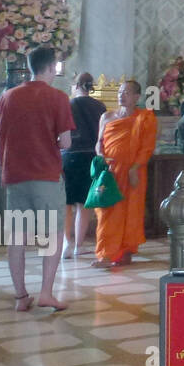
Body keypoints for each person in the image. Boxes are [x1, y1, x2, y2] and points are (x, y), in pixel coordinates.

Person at [0, 45, 73, 312]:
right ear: (51, 67)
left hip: (14, 175)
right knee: (53, 235)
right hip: (45, 174)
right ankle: (46, 293)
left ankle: (20, 297)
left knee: (17, 237)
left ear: (29, 66)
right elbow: (66, 141)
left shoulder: (7, 97)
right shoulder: (57, 97)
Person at [92, 79, 158, 269]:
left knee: (132, 211)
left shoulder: (145, 118)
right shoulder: (107, 116)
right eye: (120, 92)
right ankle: (105, 254)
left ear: (137, 97)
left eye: (127, 92)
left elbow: (147, 148)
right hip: (110, 173)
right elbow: (99, 142)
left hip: (133, 172)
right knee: (107, 211)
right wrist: (101, 156)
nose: (122, 95)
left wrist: (134, 168)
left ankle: (126, 250)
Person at [61, 72, 105, 258]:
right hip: (90, 156)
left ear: (75, 85)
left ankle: (66, 244)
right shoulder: (99, 106)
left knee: (67, 203)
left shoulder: (68, 105)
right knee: (84, 205)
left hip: (69, 156)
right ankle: (79, 245)